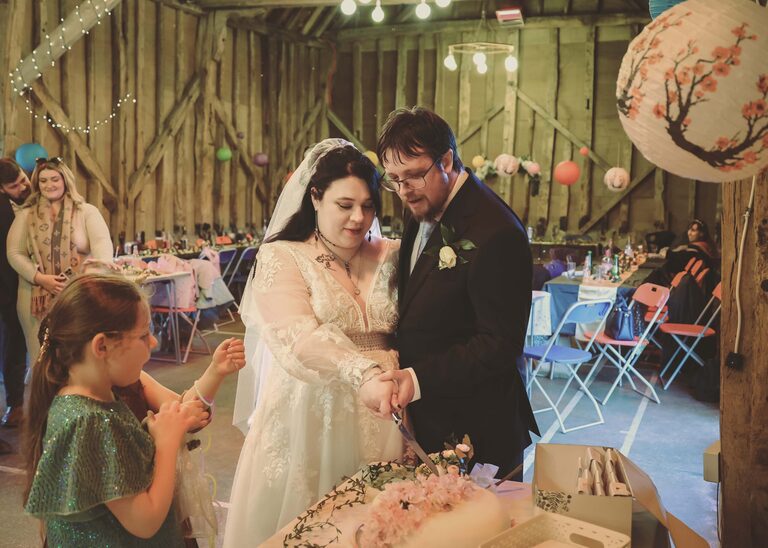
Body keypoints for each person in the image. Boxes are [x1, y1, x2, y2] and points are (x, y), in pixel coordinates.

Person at [224, 139, 402, 546]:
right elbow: (297, 336)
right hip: (312, 412)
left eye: (369, 205)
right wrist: (363, 373)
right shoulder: (282, 256)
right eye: (345, 205)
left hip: (386, 410)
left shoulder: (391, 254)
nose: (359, 218)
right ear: (315, 197)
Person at [374, 107, 539, 479]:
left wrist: (417, 380)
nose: (403, 191)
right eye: (394, 179)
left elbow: (498, 344)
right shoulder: (423, 204)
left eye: (414, 176)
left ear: (446, 159)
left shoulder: (497, 231)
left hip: (478, 427)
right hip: (430, 419)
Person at [23, 274, 208, 545]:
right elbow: (145, 520)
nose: (154, 342)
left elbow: (117, 463)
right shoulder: (89, 421)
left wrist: (156, 432)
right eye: (144, 335)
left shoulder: (86, 400)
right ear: (102, 346)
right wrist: (167, 444)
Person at [7, 157, 113, 366]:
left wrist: (92, 275)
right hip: (34, 298)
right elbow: (14, 252)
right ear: (37, 184)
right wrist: (40, 278)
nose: (49, 185)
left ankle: (75, 397)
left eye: (54, 179)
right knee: (42, 359)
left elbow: (102, 246)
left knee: (77, 356)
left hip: (79, 294)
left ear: (65, 180)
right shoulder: (25, 215)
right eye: (43, 181)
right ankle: (45, 398)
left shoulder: (86, 211)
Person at [0, 159, 30, 428]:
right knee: (13, 348)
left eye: (23, 178)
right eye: (15, 185)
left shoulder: (22, 203)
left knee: (15, 347)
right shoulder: (3, 211)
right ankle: (14, 405)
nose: (24, 185)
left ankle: (15, 404)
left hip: (17, 287)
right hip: (6, 291)